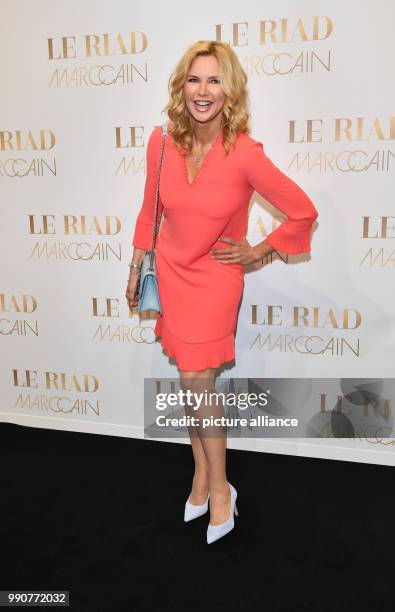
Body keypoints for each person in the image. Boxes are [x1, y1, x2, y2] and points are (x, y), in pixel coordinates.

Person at [126, 40, 318, 544]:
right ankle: (204, 477)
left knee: (195, 382)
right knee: (196, 388)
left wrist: (260, 251)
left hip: (213, 280)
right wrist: (135, 267)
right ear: (181, 87)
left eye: (214, 81)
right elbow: (151, 212)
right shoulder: (162, 141)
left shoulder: (246, 154)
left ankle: (220, 493)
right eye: (194, 79)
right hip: (169, 270)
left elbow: (303, 211)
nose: (202, 91)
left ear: (229, 91)